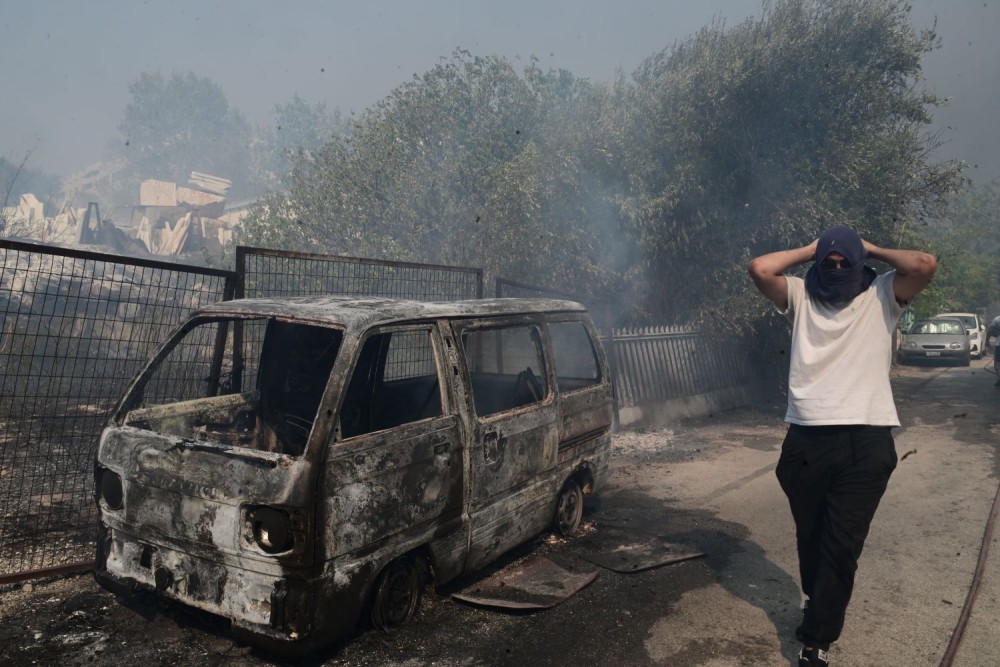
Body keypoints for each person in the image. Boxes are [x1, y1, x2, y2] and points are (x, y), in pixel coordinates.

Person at [747, 227, 936, 667]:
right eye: (827, 262)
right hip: (807, 440)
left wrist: (865, 246)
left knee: (841, 545)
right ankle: (820, 601)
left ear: (859, 265)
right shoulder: (800, 294)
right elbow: (760, 268)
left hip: (865, 442)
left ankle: (816, 641)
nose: (835, 268)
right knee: (811, 538)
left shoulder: (883, 294)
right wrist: (815, 249)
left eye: (843, 262)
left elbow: (923, 264)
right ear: (817, 264)